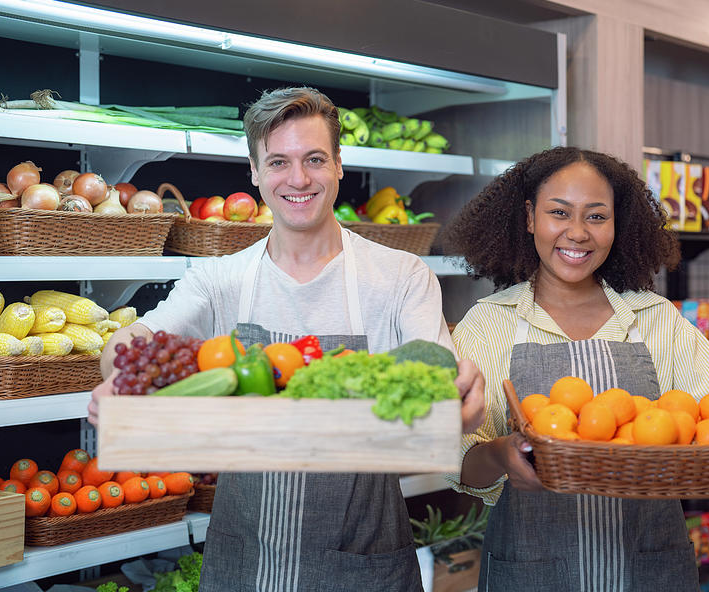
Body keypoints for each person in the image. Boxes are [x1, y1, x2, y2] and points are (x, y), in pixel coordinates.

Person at [87, 86, 484, 592]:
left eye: (314, 159)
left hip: (364, 557)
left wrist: (459, 395)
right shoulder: (219, 280)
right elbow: (137, 340)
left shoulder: (400, 275)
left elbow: (440, 378)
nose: (297, 179)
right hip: (242, 558)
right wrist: (121, 376)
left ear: (339, 164)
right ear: (254, 172)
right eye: (278, 161)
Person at [442, 147, 709, 591]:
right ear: (529, 217)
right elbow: (458, 459)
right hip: (531, 572)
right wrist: (504, 453)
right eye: (559, 212)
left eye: (597, 217)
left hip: (650, 569)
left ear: (618, 224)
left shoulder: (656, 319)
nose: (577, 233)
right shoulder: (490, 322)